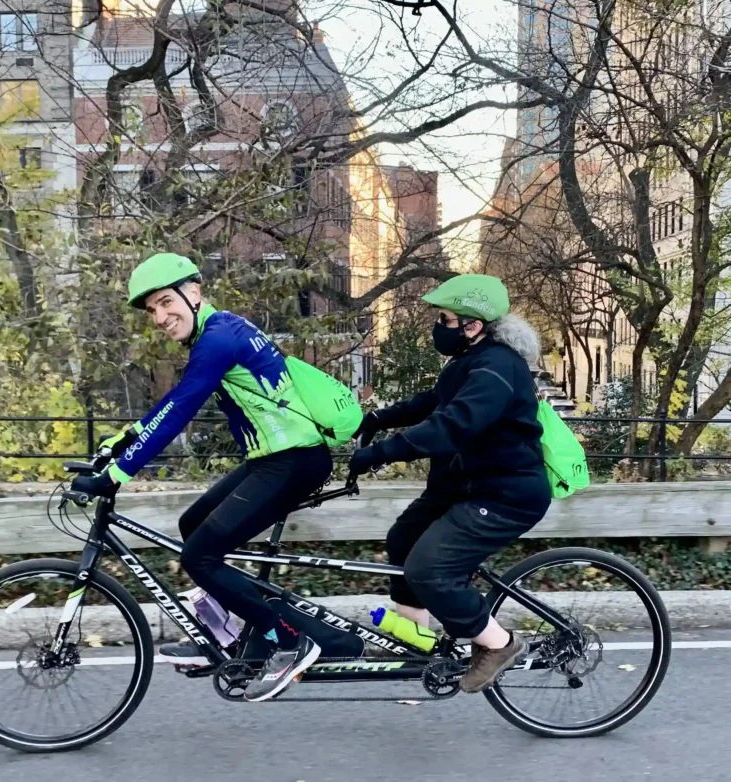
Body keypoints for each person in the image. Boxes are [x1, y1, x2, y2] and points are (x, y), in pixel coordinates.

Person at [70, 252, 333, 702]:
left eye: (165, 302)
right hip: (272, 458)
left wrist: (117, 475)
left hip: (294, 460)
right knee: (193, 528)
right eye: (152, 309)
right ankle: (232, 635)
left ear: (194, 294)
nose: (159, 317)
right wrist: (123, 439)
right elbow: (176, 399)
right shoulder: (216, 332)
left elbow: (180, 410)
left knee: (200, 556)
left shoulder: (218, 338)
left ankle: (290, 641)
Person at [349, 273, 551, 693]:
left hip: (505, 494)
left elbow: (452, 425)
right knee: (404, 537)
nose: (438, 327)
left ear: (472, 326)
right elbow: (435, 402)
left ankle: (500, 644)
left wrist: (380, 454)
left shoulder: (498, 368)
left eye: (444, 319)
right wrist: (378, 419)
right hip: (463, 485)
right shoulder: (469, 361)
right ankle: (415, 639)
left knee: (430, 570)